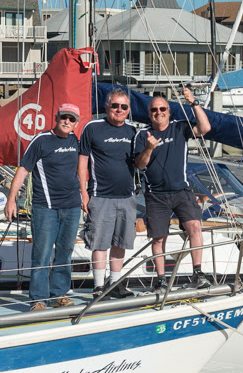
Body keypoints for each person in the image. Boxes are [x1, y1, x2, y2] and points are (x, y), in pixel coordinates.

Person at [5, 104, 82, 311]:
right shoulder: (41, 140)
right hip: (45, 207)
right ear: (56, 117)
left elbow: (83, 169)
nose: (67, 122)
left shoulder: (76, 141)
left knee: (65, 252)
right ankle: (37, 298)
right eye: (63, 117)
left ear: (77, 123)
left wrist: (85, 195)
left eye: (72, 119)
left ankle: (59, 294)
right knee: (42, 253)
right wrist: (11, 199)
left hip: (73, 206)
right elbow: (23, 170)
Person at [134, 90, 212, 291]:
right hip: (156, 195)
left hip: (181, 191)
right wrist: (149, 148)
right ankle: (160, 279)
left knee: (194, 226)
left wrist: (193, 102)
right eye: (154, 110)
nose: (158, 113)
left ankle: (198, 273)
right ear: (149, 113)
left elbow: (205, 127)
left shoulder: (179, 128)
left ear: (168, 112)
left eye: (162, 109)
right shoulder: (142, 135)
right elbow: (140, 165)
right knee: (159, 238)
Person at [78, 89, 137, 299]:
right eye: (115, 106)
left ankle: (116, 283)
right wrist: (83, 192)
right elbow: (83, 160)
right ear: (107, 107)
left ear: (128, 110)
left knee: (120, 242)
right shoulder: (93, 128)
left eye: (123, 107)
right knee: (100, 242)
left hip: (127, 197)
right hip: (100, 195)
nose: (119, 110)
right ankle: (99, 286)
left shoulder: (132, 132)